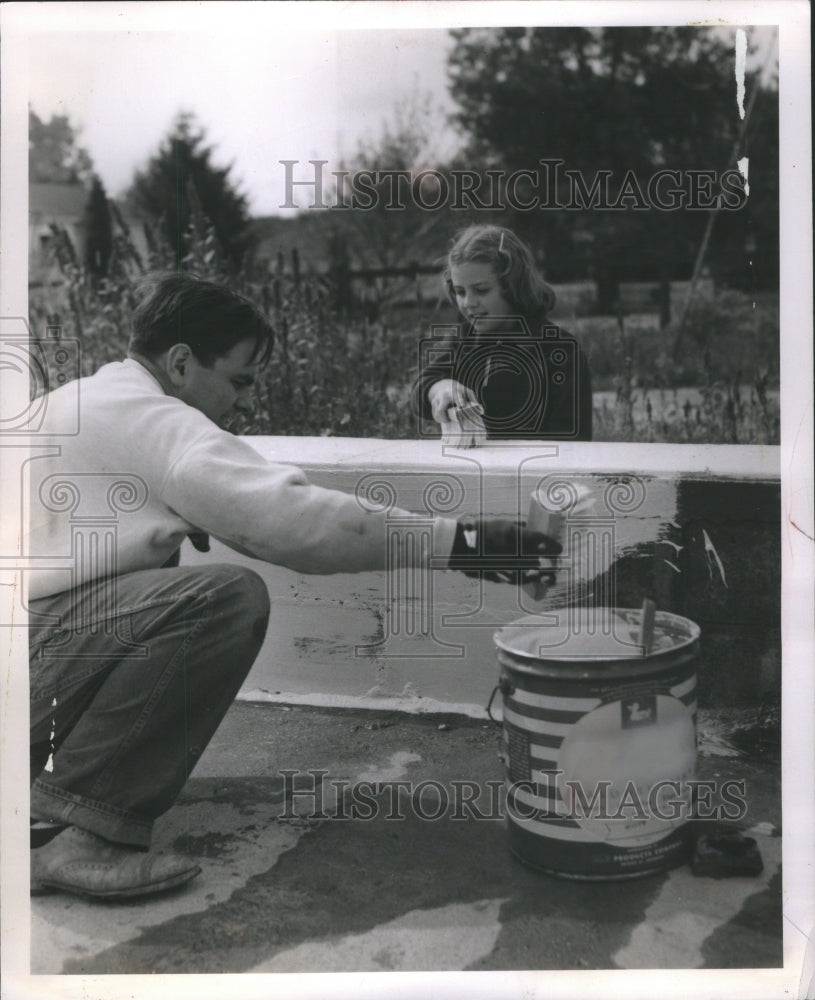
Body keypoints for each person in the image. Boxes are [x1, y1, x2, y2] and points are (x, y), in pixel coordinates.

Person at [26, 272, 560, 902]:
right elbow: (296, 526)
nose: (244, 405)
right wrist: (471, 544)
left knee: (156, 584)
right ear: (179, 363)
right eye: (239, 382)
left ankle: (40, 800)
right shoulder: (150, 420)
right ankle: (82, 837)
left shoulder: (85, 397)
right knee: (221, 601)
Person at [411, 225, 593, 442]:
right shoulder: (463, 339)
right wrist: (439, 388)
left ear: (513, 286)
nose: (468, 303)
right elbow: (419, 390)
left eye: (481, 290)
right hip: (469, 469)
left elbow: (572, 443)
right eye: (460, 292)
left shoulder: (559, 350)